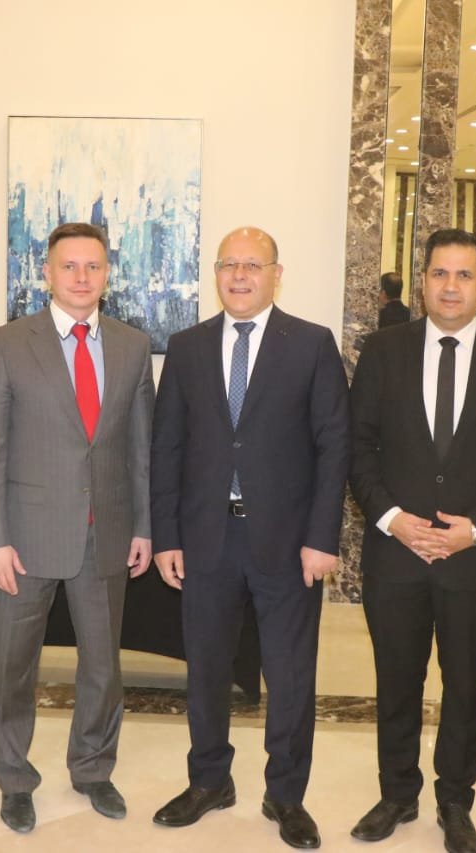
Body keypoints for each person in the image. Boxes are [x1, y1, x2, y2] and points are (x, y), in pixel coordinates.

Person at [150, 226, 350, 850]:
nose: (239, 276)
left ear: (276, 274)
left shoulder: (311, 344)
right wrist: (166, 535)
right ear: (216, 273)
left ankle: (285, 794)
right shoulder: (187, 347)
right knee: (207, 669)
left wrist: (322, 537)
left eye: (253, 265)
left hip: (289, 545)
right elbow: (167, 447)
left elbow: (334, 447)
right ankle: (209, 781)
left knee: (289, 675)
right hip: (206, 539)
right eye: (229, 265)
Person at [349, 228, 476, 852]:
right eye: (440, 273)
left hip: (473, 560)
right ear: (423, 281)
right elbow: (358, 447)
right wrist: (391, 519)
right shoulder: (384, 350)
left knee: (466, 685)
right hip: (395, 554)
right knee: (396, 680)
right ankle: (397, 794)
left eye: (464, 275)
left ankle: (455, 802)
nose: (451, 286)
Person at [0, 222, 155, 833]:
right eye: (69, 266)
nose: (81, 277)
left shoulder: (132, 346)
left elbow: (141, 450)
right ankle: (13, 779)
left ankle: (94, 769)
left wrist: (144, 527)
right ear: (46, 273)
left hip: (107, 534)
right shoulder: (6, 343)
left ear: (107, 275)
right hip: (25, 539)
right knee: (14, 665)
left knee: (102, 665)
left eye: (93, 266)